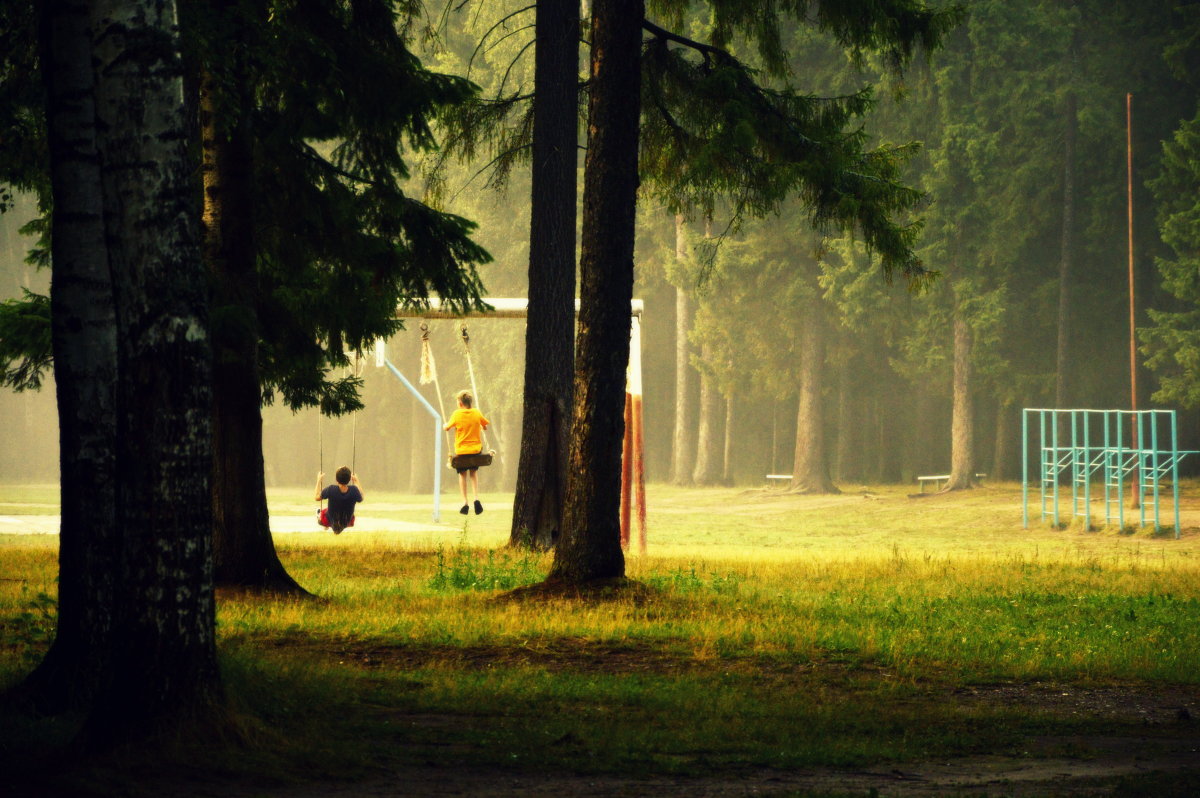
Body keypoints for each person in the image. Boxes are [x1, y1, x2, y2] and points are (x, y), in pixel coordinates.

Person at [443, 389, 489, 515]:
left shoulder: (457, 414)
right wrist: (481, 426)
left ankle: (464, 502)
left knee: (462, 475)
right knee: (473, 473)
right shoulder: (476, 412)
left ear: (460, 403)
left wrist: (444, 425)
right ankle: (476, 498)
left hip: (462, 451)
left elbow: (447, 428)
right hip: (475, 450)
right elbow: (485, 426)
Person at [315, 466, 363, 534]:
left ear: (337, 480)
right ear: (349, 479)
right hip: (347, 522)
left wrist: (319, 480)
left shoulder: (331, 489)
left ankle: (326, 524)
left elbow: (316, 497)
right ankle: (330, 525)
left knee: (320, 512)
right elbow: (361, 497)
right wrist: (356, 481)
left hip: (330, 520)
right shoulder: (354, 490)